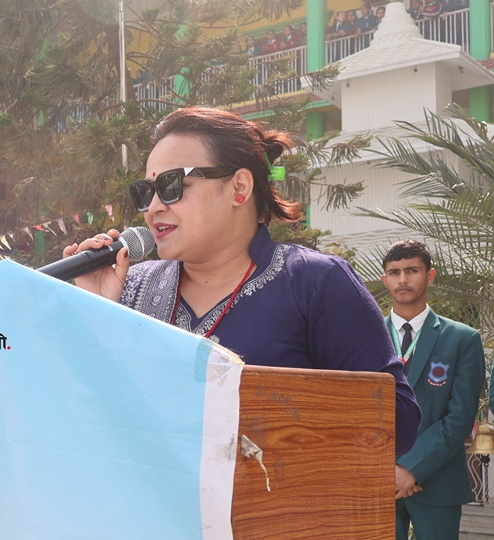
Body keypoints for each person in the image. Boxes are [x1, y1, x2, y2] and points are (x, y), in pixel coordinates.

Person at [65, 106, 420, 456]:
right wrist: (97, 315)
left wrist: (254, 409)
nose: (154, 206)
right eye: (146, 191)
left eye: (172, 185)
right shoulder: (130, 290)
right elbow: (84, 422)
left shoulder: (315, 283)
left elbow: (398, 422)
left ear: (239, 187)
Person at [383, 240, 481, 540]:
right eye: (395, 271)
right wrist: (388, 471)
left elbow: (459, 419)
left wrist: (411, 468)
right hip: (378, 486)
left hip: (436, 484)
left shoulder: (462, 339)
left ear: (429, 275)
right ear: (385, 278)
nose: (403, 279)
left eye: (412, 270)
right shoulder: (366, 335)